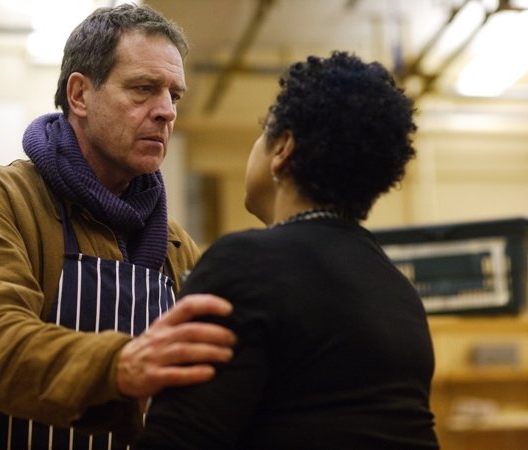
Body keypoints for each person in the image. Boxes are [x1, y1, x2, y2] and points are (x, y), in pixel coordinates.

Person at [0, 4, 235, 450]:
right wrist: (120, 366)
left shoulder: (175, 244)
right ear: (79, 95)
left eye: (175, 96)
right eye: (144, 89)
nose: (166, 111)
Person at [135, 51, 440, 449]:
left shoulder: (243, 264)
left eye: (263, 133)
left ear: (283, 149)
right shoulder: (399, 293)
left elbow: (179, 438)